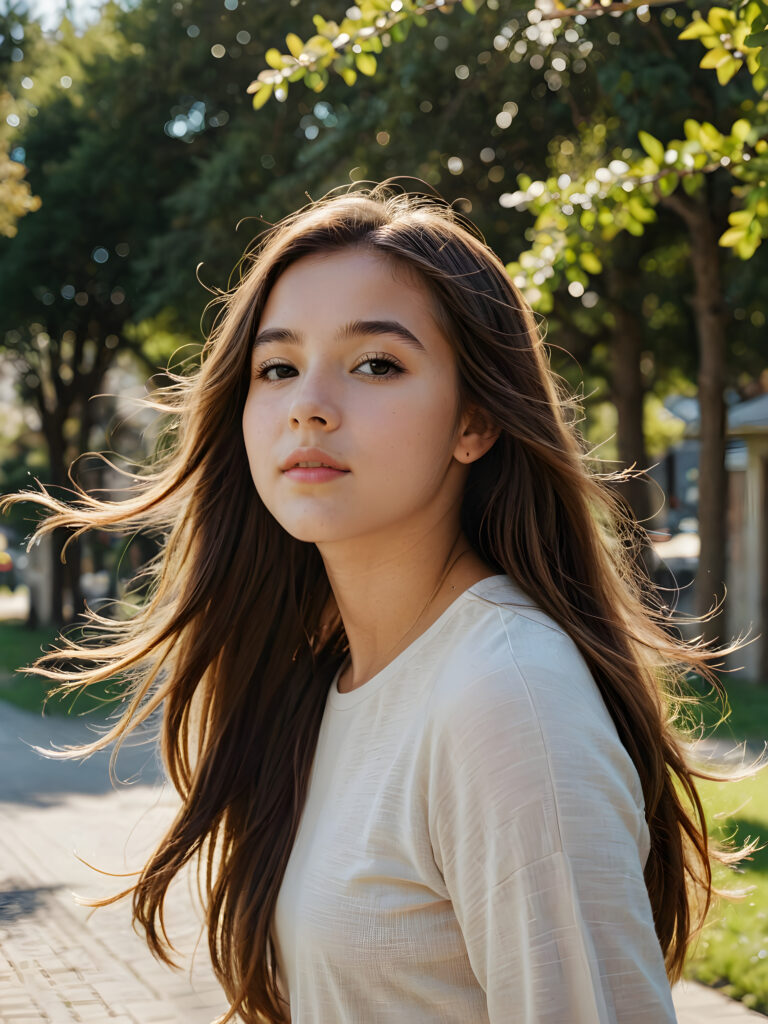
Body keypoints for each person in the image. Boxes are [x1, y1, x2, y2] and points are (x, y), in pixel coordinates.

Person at [2, 180, 760, 1024]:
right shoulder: (335, 675)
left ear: (475, 421)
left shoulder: (508, 702)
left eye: (376, 365)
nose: (309, 408)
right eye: (277, 367)